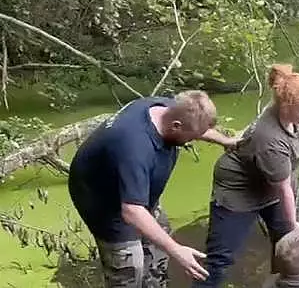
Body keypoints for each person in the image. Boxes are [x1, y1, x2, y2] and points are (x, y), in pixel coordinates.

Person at [68, 90, 238, 287]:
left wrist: (225, 141)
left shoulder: (171, 108)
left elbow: (196, 127)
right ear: (176, 126)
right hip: (103, 201)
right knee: (130, 268)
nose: (191, 141)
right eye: (191, 137)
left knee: (159, 244)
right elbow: (132, 211)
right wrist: (178, 251)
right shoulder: (134, 146)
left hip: (137, 191)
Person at [192, 64, 299, 287]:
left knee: (288, 248)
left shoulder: (285, 113)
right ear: (285, 106)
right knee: (220, 260)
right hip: (238, 192)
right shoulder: (269, 138)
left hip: (268, 187)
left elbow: (289, 160)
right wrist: (293, 225)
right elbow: (284, 188)